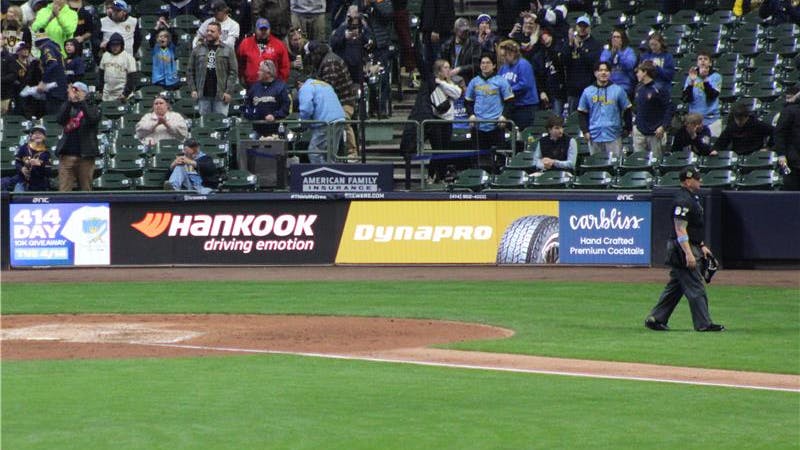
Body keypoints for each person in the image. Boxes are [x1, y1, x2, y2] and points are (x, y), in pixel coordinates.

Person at [645, 166, 725, 332]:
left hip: (689, 245)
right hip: (681, 248)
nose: (700, 181)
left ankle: (656, 318)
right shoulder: (683, 200)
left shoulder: (691, 198)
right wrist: (688, 253)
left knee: (676, 286)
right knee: (696, 285)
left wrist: (701, 245)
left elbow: (693, 229)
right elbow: (680, 228)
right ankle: (704, 324)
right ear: (688, 181)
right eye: (697, 178)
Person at [309, 42, 358, 158]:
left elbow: (327, 87)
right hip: (334, 104)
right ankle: (330, 156)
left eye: (312, 55)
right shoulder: (326, 60)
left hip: (344, 102)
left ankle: (352, 153)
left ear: (317, 54)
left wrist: (311, 86)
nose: (311, 58)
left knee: (343, 123)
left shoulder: (330, 62)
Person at [577, 61, 632, 157]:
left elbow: (627, 109)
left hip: (613, 135)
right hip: (594, 135)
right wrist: (585, 131)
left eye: (606, 70)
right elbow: (582, 112)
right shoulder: (587, 91)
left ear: (610, 73)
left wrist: (627, 128)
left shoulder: (618, 90)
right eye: (600, 70)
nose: (603, 73)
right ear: (595, 73)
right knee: (596, 165)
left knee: (614, 165)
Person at [55, 81, 99, 191]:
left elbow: (92, 119)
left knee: (86, 189)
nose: (75, 93)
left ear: (85, 92)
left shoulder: (93, 106)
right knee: (64, 189)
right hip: (67, 155)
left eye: (78, 90)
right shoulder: (68, 106)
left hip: (86, 155)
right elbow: (60, 119)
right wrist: (70, 101)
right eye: (73, 90)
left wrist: (82, 101)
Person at [465, 52, 514, 151]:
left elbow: (510, 102)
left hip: (496, 126)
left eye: (488, 63)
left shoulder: (501, 81)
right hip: (478, 126)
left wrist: (504, 116)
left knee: (499, 156)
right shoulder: (474, 82)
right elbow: (468, 102)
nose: (485, 65)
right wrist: (471, 115)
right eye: (482, 63)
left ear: (494, 65)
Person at [188, 21, 239, 116]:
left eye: (212, 31)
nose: (209, 33)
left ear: (219, 33)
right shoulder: (197, 49)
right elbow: (190, 71)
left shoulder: (228, 50)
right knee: (204, 125)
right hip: (202, 94)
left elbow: (233, 72)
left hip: (221, 95)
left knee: (221, 125)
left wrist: (228, 92)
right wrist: (193, 89)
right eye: (207, 31)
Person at [427, 59, 462, 180]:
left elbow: (457, 93)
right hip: (436, 120)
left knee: (445, 150)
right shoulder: (432, 84)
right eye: (445, 68)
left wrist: (442, 84)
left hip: (448, 121)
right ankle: (431, 175)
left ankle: (440, 177)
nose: (449, 70)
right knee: (438, 150)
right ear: (439, 71)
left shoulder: (445, 83)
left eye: (449, 67)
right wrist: (441, 85)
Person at [297, 76, 346, 163]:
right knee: (330, 154)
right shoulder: (325, 84)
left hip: (325, 122)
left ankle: (320, 174)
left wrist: (303, 125)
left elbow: (306, 109)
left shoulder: (305, 87)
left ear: (299, 83)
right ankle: (331, 174)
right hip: (340, 119)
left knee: (313, 151)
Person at [562, 15, 602, 115]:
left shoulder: (595, 44)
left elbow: (592, 63)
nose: (582, 29)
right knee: (573, 118)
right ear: (576, 27)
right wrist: (571, 45)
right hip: (573, 90)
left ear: (589, 28)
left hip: (588, 89)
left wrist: (579, 48)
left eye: (585, 26)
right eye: (580, 26)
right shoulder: (569, 44)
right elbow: (564, 61)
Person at [632, 60, 672, 157]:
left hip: (655, 132)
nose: (637, 75)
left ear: (645, 72)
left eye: (638, 72)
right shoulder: (638, 87)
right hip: (640, 131)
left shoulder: (659, 88)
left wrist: (663, 126)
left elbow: (669, 108)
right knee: (639, 161)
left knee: (655, 162)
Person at [497, 39, 538, 131]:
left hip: (525, 106)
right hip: (511, 106)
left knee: (521, 135)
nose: (503, 58)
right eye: (502, 56)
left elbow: (525, 84)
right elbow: (498, 82)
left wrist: (507, 90)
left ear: (512, 53)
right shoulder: (504, 67)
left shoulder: (524, 64)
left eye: (505, 55)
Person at [243, 59, 290, 137]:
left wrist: (274, 115)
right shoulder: (254, 87)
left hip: (276, 128)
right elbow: (247, 106)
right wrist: (253, 115)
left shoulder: (281, 87)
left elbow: (286, 107)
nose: (258, 73)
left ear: (268, 74)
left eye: (260, 71)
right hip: (257, 128)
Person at [237, 18, 290, 86]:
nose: (264, 31)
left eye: (266, 29)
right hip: (251, 85)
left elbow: (284, 66)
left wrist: (280, 84)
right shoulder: (246, 43)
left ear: (270, 29)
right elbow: (240, 62)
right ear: (255, 30)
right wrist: (242, 77)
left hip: (272, 86)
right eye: (261, 29)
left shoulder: (279, 45)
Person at [683, 51, 722, 137]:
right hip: (694, 120)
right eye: (700, 59)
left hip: (711, 120)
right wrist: (691, 82)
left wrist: (705, 80)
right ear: (697, 63)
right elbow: (686, 98)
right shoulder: (691, 76)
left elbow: (712, 96)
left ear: (710, 63)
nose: (703, 61)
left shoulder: (716, 76)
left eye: (705, 59)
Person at [330, 5, 371, 85]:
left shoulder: (364, 28)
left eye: (356, 16)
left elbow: (371, 44)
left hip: (360, 65)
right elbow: (333, 44)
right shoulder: (342, 28)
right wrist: (345, 37)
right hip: (345, 65)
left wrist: (361, 35)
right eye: (353, 16)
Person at [532, 27, 566, 117]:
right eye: (542, 36)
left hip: (561, 91)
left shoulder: (561, 49)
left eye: (546, 34)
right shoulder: (538, 56)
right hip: (547, 91)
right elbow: (537, 76)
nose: (544, 37)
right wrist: (541, 91)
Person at [418, 0, 454, 85]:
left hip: (438, 33)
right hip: (428, 31)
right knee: (428, 61)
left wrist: (436, 30)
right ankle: (430, 85)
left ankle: (440, 84)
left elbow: (443, 10)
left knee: (439, 61)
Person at [33, 30, 67, 115]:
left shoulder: (47, 47)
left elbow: (52, 63)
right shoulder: (54, 47)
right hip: (60, 85)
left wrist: (43, 81)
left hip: (54, 88)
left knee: (54, 114)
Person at [10, 124, 52, 191]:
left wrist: (40, 165)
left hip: (39, 184)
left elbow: (48, 173)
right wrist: (21, 168)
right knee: (18, 197)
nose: (37, 135)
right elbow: (17, 162)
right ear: (31, 136)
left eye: (40, 133)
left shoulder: (46, 154)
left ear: (44, 137)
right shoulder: (24, 148)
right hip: (23, 181)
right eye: (35, 133)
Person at [599, 28, 637, 99]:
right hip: (608, 85)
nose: (615, 39)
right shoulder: (606, 52)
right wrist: (612, 55)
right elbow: (603, 65)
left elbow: (629, 65)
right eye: (614, 37)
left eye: (618, 37)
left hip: (624, 86)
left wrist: (618, 53)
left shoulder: (629, 51)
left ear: (622, 39)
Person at [440, 18, 481, 85]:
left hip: (466, 78)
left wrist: (460, 69)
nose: (466, 33)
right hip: (449, 77)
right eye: (463, 31)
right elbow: (441, 62)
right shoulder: (447, 45)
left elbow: (476, 65)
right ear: (455, 30)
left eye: (467, 31)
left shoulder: (474, 44)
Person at [98, 31, 136, 102]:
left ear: (121, 45)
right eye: (113, 45)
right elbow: (101, 75)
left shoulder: (129, 58)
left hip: (121, 95)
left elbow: (132, 79)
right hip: (107, 94)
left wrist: (125, 94)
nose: (115, 47)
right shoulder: (105, 56)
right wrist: (100, 91)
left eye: (117, 45)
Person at [775, 86, 800, 191]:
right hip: (790, 160)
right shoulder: (789, 110)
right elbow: (779, 133)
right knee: (791, 188)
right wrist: (781, 154)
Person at [148, 17, 180, 90]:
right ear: (157, 39)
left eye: (165, 37)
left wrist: (166, 24)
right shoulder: (155, 48)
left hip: (171, 80)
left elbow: (175, 35)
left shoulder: (171, 48)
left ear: (168, 39)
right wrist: (158, 25)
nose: (162, 38)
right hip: (158, 80)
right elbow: (151, 37)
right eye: (160, 37)